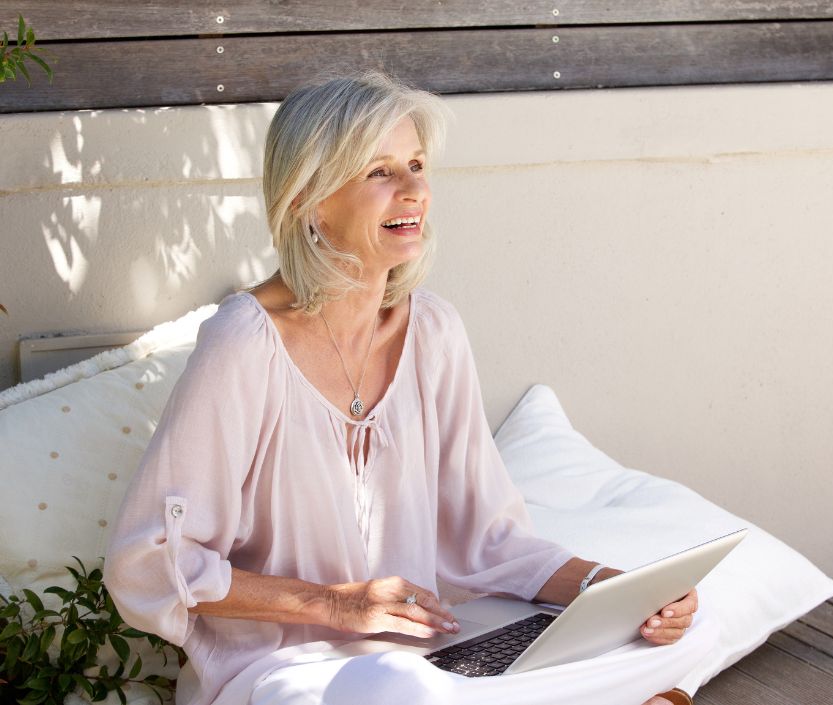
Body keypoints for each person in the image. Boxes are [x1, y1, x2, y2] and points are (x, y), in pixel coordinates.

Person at [104, 72, 715, 705]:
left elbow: (489, 538)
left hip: (439, 653)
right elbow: (148, 564)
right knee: (397, 692)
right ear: (309, 197)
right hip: (289, 669)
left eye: (417, 166)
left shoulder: (434, 332)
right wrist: (335, 604)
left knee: (693, 632)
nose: (415, 190)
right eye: (380, 172)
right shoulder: (244, 343)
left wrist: (612, 590)